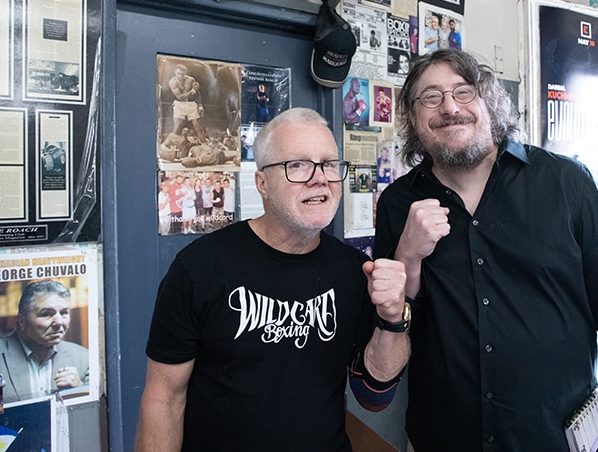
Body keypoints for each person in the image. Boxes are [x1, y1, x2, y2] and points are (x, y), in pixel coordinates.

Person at [374, 49, 598, 451]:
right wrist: (407, 256)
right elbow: (398, 330)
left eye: (464, 92)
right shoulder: (397, 204)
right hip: (444, 440)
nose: (449, 107)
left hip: (557, 440)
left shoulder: (568, 184)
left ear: (489, 103)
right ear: (413, 117)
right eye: (430, 97)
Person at [135, 108, 409, 451]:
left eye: (328, 164)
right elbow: (164, 399)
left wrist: (392, 318)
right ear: (262, 183)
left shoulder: (354, 271)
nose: (320, 177)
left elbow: (374, 395)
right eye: (297, 165)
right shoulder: (199, 268)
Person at [0, 280, 89, 403]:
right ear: (22, 321)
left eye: (64, 313)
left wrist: (79, 389)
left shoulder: (84, 358)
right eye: (46, 314)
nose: (59, 322)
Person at [169, 64, 207, 144]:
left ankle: (205, 145)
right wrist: (192, 91)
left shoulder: (191, 80)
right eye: (178, 73)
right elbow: (179, 97)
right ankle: (177, 148)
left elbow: (197, 93)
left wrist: (200, 105)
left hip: (191, 104)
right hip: (179, 104)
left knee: (198, 127)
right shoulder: (172, 82)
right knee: (176, 128)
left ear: (185, 73)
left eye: (182, 74)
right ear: (175, 72)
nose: (180, 76)